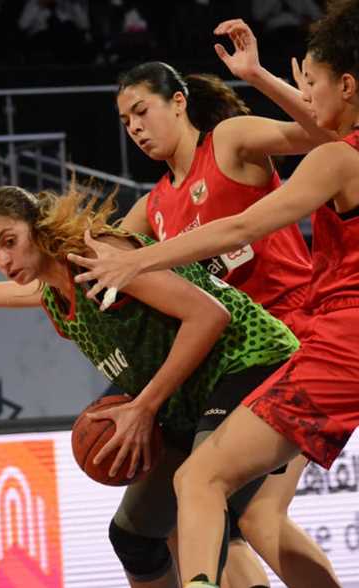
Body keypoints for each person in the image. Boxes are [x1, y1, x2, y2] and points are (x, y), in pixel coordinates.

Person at [68, 1, 359, 586]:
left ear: (345, 84)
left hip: (343, 339)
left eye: (309, 82)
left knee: (204, 483)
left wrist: (137, 261)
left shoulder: (321, 156)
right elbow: (327, 124)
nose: (304, 94)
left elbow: (242, 224)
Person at [0, 184, 325, 588]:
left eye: (9, 241)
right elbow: (33, 292)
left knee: (212, 498)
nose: (2, 260)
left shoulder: (100, 255)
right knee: (135, 538)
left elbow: (210, 315)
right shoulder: (56, 295)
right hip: (190, 395)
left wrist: (144, 407)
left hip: (253, 361)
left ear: (38, 228)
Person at [112, 47, 340, 586]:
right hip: (239, 366)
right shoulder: (153, 208)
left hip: (297, 344)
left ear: (179, 102)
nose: (134, 127)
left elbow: (325, 136)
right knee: (196, 515)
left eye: (142, 111)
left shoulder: (229, 143)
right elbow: (93, 269)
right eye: (125, 122)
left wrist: (258, 76)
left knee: (251, 514)